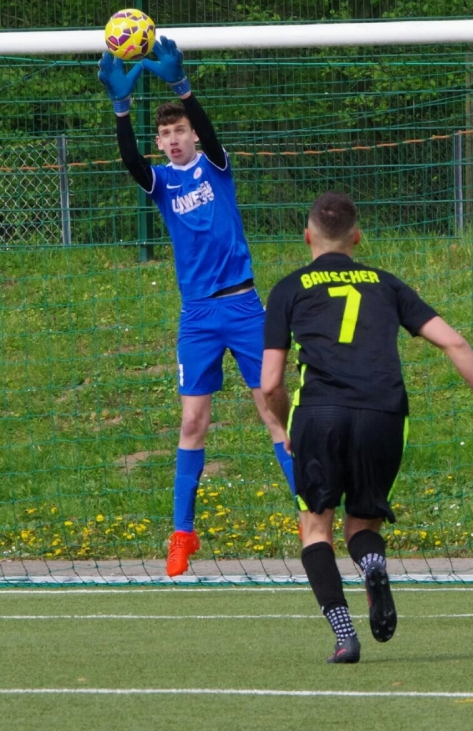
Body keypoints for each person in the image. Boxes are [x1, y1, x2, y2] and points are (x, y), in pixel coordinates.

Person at [261, 191, 473, 664]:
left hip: (320, 412)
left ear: (308, 236)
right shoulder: (386, 284)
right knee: (363, 521)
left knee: (315, 526)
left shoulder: (289, 288)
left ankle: (344, 636)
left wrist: (285, 421)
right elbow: (455, 343)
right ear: (356, 237)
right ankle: (372, 563)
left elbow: (270, 381)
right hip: (384, 412)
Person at [98, 37, 294, 577]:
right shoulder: (160, 182)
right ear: (159, 144)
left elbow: (208, 129)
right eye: (165, 134)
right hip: (198, 318)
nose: (173, 139)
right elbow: (129, 160)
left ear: (192, 136)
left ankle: (309, 511)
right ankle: (182, 534)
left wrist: (183, 88)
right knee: (191, 422)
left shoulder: (216, 166)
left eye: (180, 130)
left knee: (273, 411)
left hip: (244, 307)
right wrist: (121, 108)